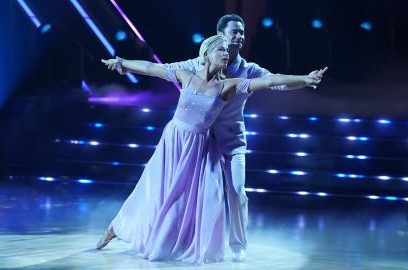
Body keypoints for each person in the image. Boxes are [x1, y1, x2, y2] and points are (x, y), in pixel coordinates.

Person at [96, 34, 326, 264]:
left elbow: (270, 80)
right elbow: (149, 67)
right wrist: (121, 63)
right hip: (173, 142)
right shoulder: (185, 75)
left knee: (188, 199)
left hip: (198, 148)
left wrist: (305, 79)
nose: (226, 54)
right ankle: (116, 228)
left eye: (227, 51)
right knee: (154, 191)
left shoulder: (228, 86)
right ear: (206, 54)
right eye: (221, 50)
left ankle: (169, 239)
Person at [163, 14, 328, 262]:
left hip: (231, 141)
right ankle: (191, 241)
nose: (239, 36)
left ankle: (238, 245)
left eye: (242, 32)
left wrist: (304, 79)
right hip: (202, 144)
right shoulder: (198, 64)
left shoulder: (248, 70)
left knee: (237, 191)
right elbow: (164, 69)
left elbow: (275, 81)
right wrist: (123, 64)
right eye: (234, 32)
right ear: (220, 34)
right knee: (203, 195)